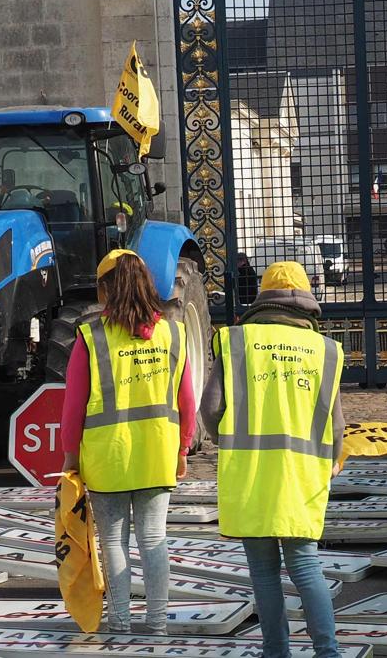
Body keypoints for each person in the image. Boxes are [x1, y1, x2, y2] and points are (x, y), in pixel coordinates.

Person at [201, 261, 345, 658]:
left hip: (249, 473)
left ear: (263, 298)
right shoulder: (325, 350)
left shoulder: (237, 341)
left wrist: (225, 439)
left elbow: (210, 408)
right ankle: (328, 652)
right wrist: (333, 460)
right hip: (303, 474)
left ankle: (275, 651)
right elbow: (336, 423)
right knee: (306, 566)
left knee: (263, 572)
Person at [60, 249, 195, 635]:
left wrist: (71, 456)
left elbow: (74, 405)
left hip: (108, 457)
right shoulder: (173, 333)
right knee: (154, 540)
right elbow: (187, 400)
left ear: (106, 289)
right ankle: (157, 624)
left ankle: (120, 623)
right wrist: (183, 448)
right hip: (158, 453)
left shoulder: (92, 337)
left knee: (113, 542)